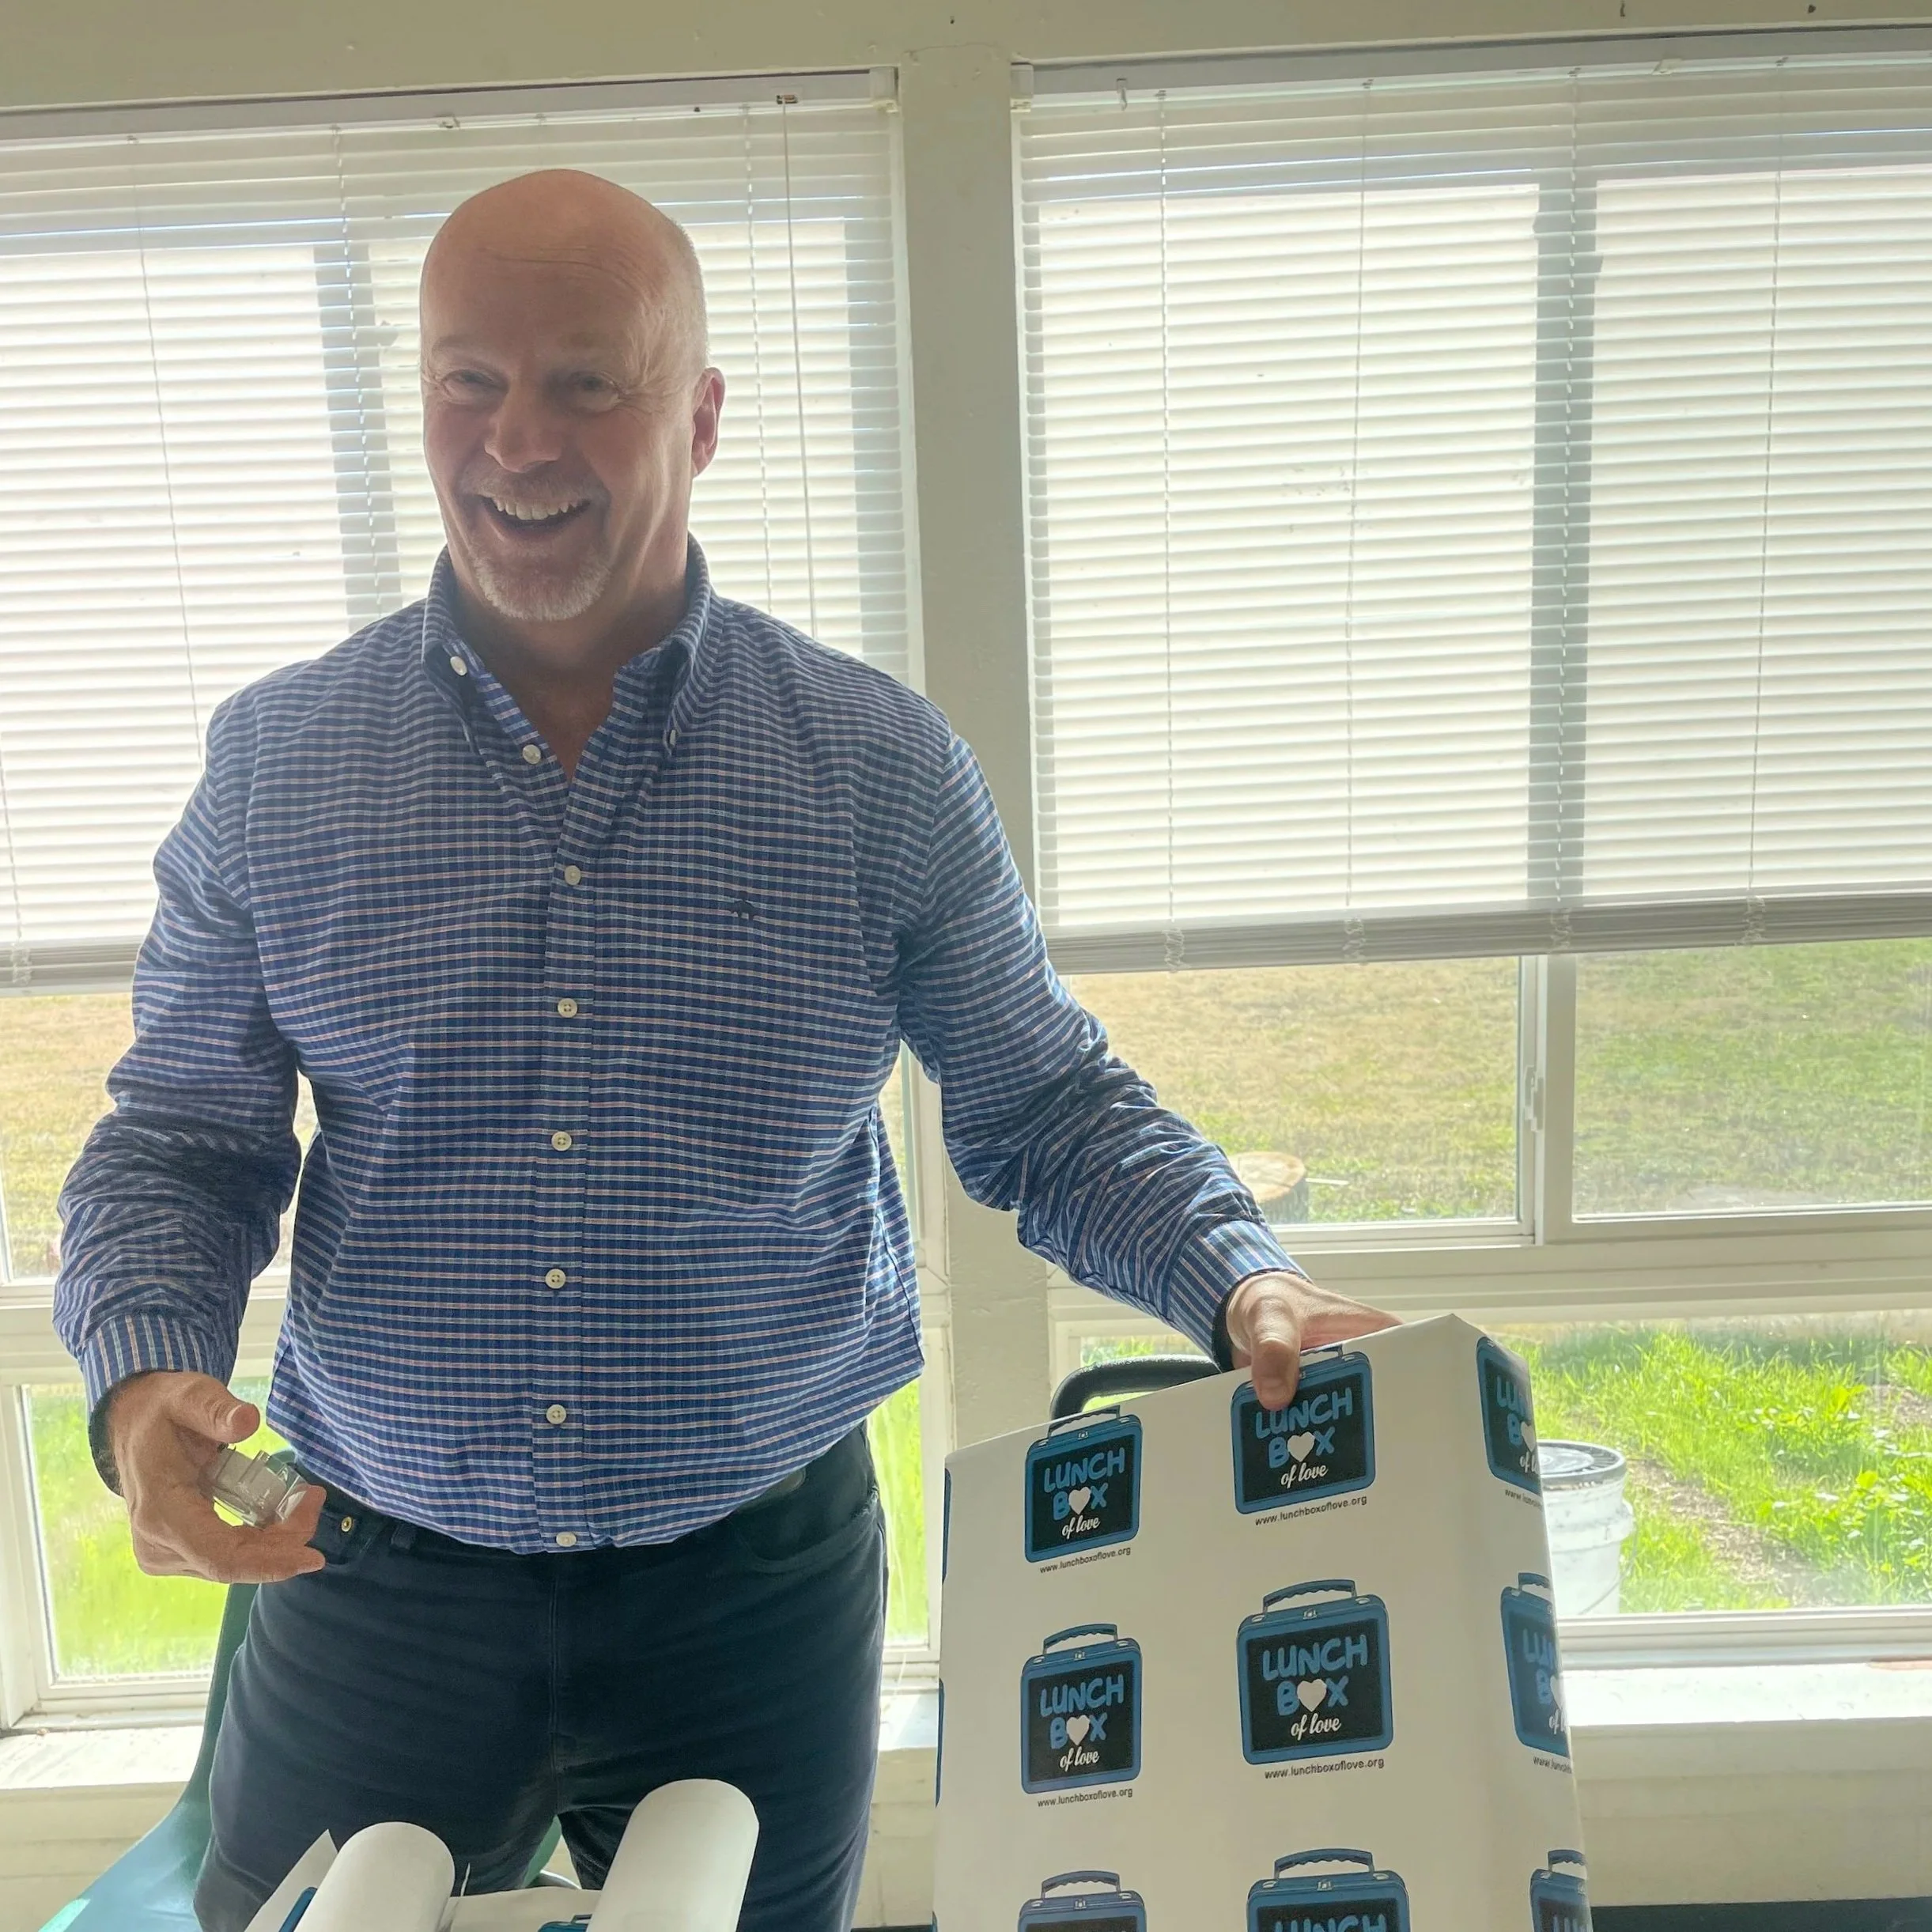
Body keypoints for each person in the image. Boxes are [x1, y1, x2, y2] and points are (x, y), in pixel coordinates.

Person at [53, 168, 1397, 1932]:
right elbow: (183, 1140)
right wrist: (145, 1379)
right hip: (368, 1566)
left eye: (586, 383)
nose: (515, 440)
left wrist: (1240, 1285)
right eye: (470, 379)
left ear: (698, 416)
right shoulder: (277, 765)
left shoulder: (877, 771)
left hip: (750, 1583)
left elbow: (1046, 1107)